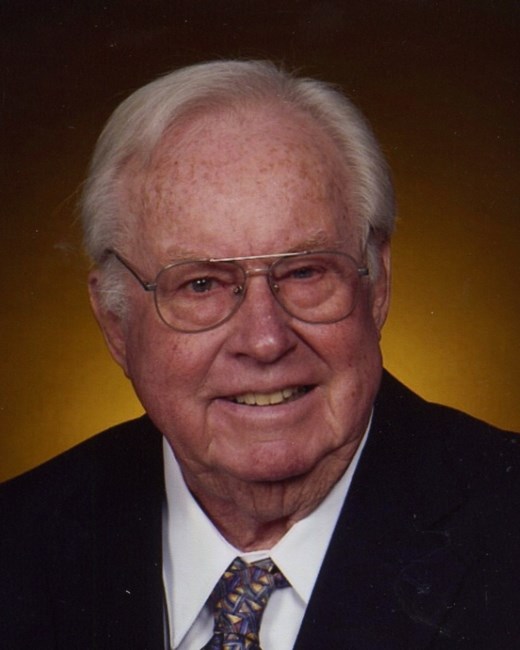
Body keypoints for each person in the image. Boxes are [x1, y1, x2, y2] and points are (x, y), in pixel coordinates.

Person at [1, 60, 519, 649]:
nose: (266, 339)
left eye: (304, 272)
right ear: (115, 323)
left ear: (377, 286)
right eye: (200, 284)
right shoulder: (17, 547)